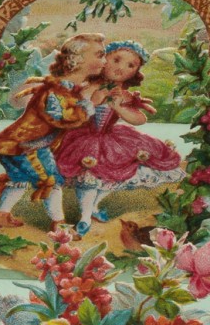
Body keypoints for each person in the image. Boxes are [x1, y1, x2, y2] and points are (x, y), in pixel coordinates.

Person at [54, 39, 185, 231]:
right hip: (81, 138)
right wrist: (95, 101)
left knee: (114, 175)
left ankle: (93, 207)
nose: (121, 68)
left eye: (130, 65)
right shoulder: (88, 87)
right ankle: (85, 217)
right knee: (89, 176)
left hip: (111, 139)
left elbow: (139, 119)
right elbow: (74, 113)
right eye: (116, 60)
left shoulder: (123, 95)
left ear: (136, 72)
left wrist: (119, 108)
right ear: (103, 59)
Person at [0, 32, 105, 231]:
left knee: (19, 179)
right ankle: (59, 225)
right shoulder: (56, 90)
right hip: (28, 147)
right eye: (99, 55)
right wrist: (88, 105)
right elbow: (61, 118)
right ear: (78, 60)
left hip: (13, 144)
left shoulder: (64, 87)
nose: (104, 61)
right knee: (52, 181)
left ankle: (1, 216)